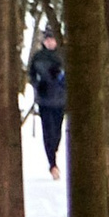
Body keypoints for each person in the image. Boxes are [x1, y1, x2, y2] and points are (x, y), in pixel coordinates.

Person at [28, 29, 68, 179]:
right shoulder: (38, 57)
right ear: (44, 41)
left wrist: (60, 79)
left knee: (56, 133)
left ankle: (53, 153)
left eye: (52, 39)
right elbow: (31, 75)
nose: (50, 42)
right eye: (48, 39)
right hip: (45, 101)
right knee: (47, 132)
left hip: (60, 101)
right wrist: (38, 85)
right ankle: (52, 164)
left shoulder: (62, 56)